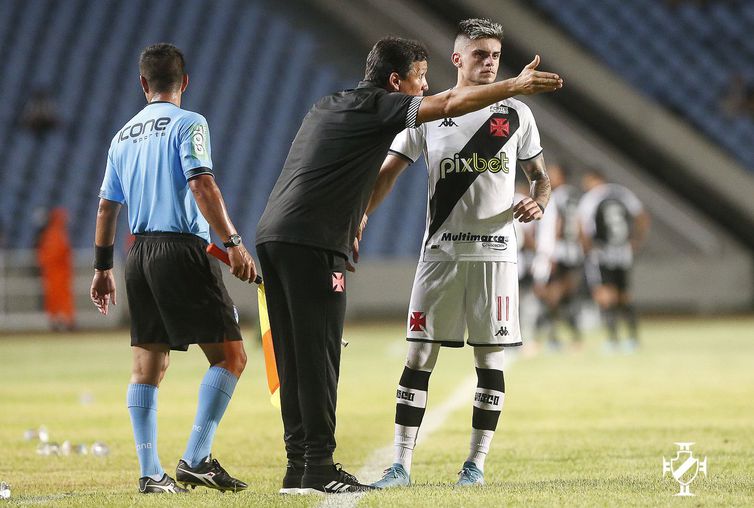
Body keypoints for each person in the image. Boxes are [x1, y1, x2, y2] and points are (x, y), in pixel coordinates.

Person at [255, 33, 561, 494]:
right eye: (419, 78)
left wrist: (354, 220)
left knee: (293, 357)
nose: (424, 86)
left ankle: (299, 466)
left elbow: (342, 171)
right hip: (325, 243)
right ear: (396, 81)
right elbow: (446, 107)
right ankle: (319, 466)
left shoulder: (330, 103)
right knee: (320, 354)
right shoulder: (394, 108)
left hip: (275, 234)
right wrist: (516, 85)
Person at [359, 19, 553, 489]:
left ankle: (475, 466)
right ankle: (400, 464)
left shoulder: (517, 115)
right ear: (457, 58)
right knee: (419, 355)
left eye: (495, 55)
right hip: (440, 256)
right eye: (480, 53)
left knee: (489, 363)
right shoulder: (426, 112)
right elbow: (388, 172)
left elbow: (541, 179)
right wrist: (359, 216)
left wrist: (538, 201)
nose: (489, 62)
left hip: (497, 258)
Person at [90, 43, 256, 494]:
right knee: (231, 357)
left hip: (137, 254)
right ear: (184, 82)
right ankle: (197, 458)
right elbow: (202, 183)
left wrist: (103, 268)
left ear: (143, 84)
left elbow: (107, 207)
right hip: (182, 249)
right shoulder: (190, 123)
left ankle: (151, 473)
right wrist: (234, 242)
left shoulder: (122, 136)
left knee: (147, 366)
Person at [578, 169, 650, 352]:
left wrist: (587, 250)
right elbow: (642, 216)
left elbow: (582, 226)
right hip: (623, 252)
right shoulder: (622, 193)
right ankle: (633, 339)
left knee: (604, 295)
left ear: (595, 179)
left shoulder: (591, 198)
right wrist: (636, 240)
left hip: (602, 252)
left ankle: (613, 340)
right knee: (624, 295)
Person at [531, 163, 584, 350]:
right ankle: (574, 339)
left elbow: (557, 225)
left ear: (561, 175)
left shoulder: (554, 196)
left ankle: (547, 339)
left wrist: (549, 254)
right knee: (565, 296)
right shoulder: (575, 195)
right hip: (573, 252)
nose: (549, 176)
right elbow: (580, 224)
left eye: (553, 173)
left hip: (556, 252)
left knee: (550, 296)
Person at [36, 208, 76, 331]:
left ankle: (62, 321)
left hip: (56, 273)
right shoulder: (56, 235)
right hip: (57, 273)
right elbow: (58, 254)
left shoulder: (52, 235)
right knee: (59, 298)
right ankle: (63, 321)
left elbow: (45, 256)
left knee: (58, 298)